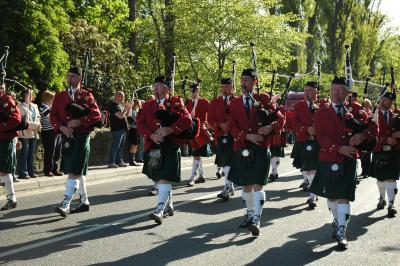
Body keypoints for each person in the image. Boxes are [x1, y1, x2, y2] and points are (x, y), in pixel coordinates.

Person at [309, 77, 378, 250]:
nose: (335, 93)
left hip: (348, 161)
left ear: (347, 93)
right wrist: (338, 148)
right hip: (329, 159)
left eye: (340, 90)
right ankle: (337, 220)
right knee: (332, 197)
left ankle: (341, 231)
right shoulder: (321, 112)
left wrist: (362, 136)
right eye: (333, 90)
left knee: (343, 197)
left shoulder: (357, 111)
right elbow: (321, 136)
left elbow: (374, 127)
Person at [228, 69, 285, 236]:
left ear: (254, 82)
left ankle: (256, 219)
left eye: (247, 80)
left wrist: (270, 127)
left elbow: (281, 119)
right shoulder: (235, 103)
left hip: (261, 148)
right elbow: (232, 126)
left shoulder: (264, 99)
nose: (243, 83)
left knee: (258, 184)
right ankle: (250, 214)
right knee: (246, 185)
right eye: (242, 79)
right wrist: (247, 136)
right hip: (242, 148)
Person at [137, 76, 192, 224]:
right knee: (158, 178)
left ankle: (160, 209)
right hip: (153, 145)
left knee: (164, 178)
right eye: (154, 86)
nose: (155, 89)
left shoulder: (175, 102)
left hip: (170, 145)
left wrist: (170, 129)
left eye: (159, 86)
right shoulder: (148, 105)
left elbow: (187, 120)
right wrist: (151, 135)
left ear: (167, 89)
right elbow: (140, 123)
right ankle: (169, 205)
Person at [50, 67, 102, 217]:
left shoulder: (86, 95)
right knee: (77, 171)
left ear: (79, 78)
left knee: (74, 171)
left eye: (72, 76)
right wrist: (62, 127)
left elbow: (96, 115)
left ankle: (66, 203)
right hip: (67, 138)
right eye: (68, 76)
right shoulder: (60, 96)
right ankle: (84, 201)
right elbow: (53, 116)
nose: (69, 79)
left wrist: (79, 121)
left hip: (81, 137)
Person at [370, 92, 400, 217]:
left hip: (393, 150)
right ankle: (382, 198)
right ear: (383, 100)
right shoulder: (375, 114)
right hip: (379, 149)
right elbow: (371, 132)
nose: (390, 103)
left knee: (391, 177)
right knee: (381, 177)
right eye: (388, 100)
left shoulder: (394, 115)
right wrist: (386, 139)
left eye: (392, 101)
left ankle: (391, 204)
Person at [291, 82, 320, 209]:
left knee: (313, 168)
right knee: (306, 168)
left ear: (315, 92)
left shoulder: (323, 106)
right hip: (302, 140)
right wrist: (306, 129)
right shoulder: (298, 106)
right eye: (305, 90)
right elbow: (294, 123)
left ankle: (312, 195)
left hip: (317, 141)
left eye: (310, 90)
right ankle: (312, 188)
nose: (307, 93)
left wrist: (317, 129)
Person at [208, 78, 237, 201]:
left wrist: (230, 125)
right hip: (221, 135)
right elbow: (210, 119)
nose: (224, 89)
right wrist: (220, 125)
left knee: (230, 162)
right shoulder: (215, 102)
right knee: (225, 162)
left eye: (227, 86)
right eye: (223, 86)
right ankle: (228, 186)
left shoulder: (238, 101)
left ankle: (228, 186)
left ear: (232, 88)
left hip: (235, 135)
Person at [186, 82, 212, 186]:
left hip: (201, 132)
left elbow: (211, 114)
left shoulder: (204, 102)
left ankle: (192, 177)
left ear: (198, 90)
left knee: (196, 154)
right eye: (192, 91)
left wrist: (208, 122)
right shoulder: (188, 103)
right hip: (191, 132)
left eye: (195, 90)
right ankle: (201, 175)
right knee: (197, 155)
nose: (194, 93)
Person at [0, 83, 21, 210]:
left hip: (5, 140)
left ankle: (11, 199)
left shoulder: (6, 99)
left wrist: (1, 128)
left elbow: (16, 118)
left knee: (4, 170)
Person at [17, 89, 41, 179]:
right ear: (24, 95)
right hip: (25, 133)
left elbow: (38, 117)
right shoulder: (20, 105)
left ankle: (31, 172)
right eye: (28, 94)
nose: (30, 96)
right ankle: (23, 172)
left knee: (31, 153)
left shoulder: (35, 106)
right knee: (24, 153)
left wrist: (37, 125)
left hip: (34, 132)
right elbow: (22, 120)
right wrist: (32, 125)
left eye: (31, 94)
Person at [39, 90, 63, 176]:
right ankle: (47, 170)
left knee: (57, 151)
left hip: (56, 131)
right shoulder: (43, 107)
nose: (54, 100)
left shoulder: (51, 107)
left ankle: (55, 169)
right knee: (50, 152)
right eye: (52, 98)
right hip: (48, 132)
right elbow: (52, 116)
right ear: (48, 99)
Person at [108, 91, 131, 168]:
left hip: (122, 128)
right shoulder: (113, 106)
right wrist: (126, 109)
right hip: (117, 128)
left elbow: (125, 116)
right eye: (122, 96)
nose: (123, 98)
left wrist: (127, 109)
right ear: (117, 96)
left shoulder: (120, 105)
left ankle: (119, 161)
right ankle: (111, 162)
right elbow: (120, 116)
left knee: (121, 146)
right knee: (116, 145)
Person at [126, 99, 141, 166]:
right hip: (133, 129)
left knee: (136, 145)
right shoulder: (131, 111)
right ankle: (131, 160)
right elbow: (129, 118)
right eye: (139, 103)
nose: (140, 105)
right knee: (134, 145)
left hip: (137, 129)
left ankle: (133, 160)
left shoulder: (136, 111)